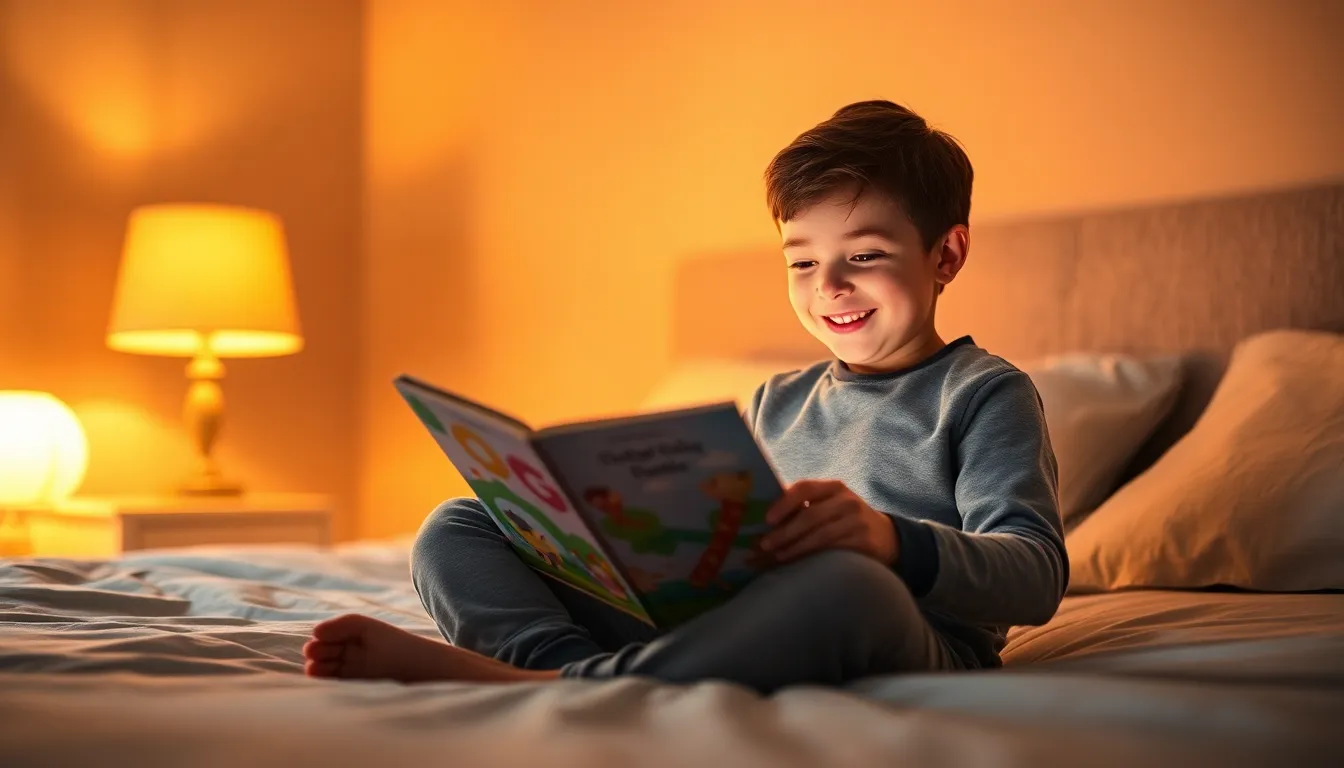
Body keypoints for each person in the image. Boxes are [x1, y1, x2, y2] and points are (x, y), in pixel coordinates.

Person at [303, 100, 1069, 694]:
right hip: (729, 618)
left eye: (864, 255)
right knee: (463, 520)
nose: (829, 286)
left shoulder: (983, 394)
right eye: (801, 262)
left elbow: (1036, 574)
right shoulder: (779, 397)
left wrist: (890, 540)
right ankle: (556, 667)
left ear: (947, 254)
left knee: (848, 584)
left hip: (903, 634)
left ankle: (567, 687)